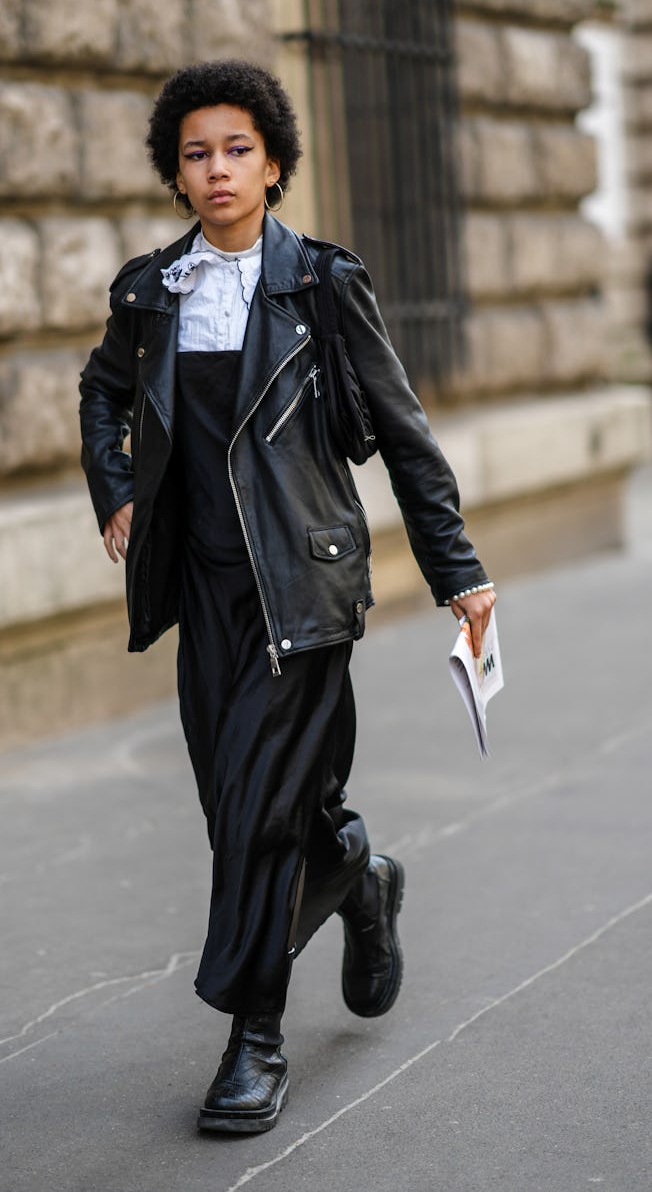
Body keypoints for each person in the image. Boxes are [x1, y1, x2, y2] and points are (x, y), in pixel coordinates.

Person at [79, 59, 496, 1135]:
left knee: (260, 820)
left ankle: (252, 1041)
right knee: (239, 812)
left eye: (236, 150)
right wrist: (116, 493)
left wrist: (459, 572)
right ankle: (356, 871)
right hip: (203, 591)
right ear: (176, 175)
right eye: (195, 154)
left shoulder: (318, 281)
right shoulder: (150, 291)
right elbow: (103, 393)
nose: (216, 170)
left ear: (273, 163)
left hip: (302, 590)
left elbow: (403, 433)